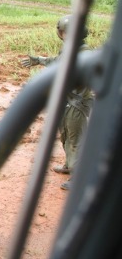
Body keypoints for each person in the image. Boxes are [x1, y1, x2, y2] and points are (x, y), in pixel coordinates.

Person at [21, 15, 94, 190]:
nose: (66, 35)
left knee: (76, 139)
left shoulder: (85, 53)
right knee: (66, 135)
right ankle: (70, 165)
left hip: (77, 102)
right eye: (64, 32)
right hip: (66, 100)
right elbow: (57, 62)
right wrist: (38, 59)